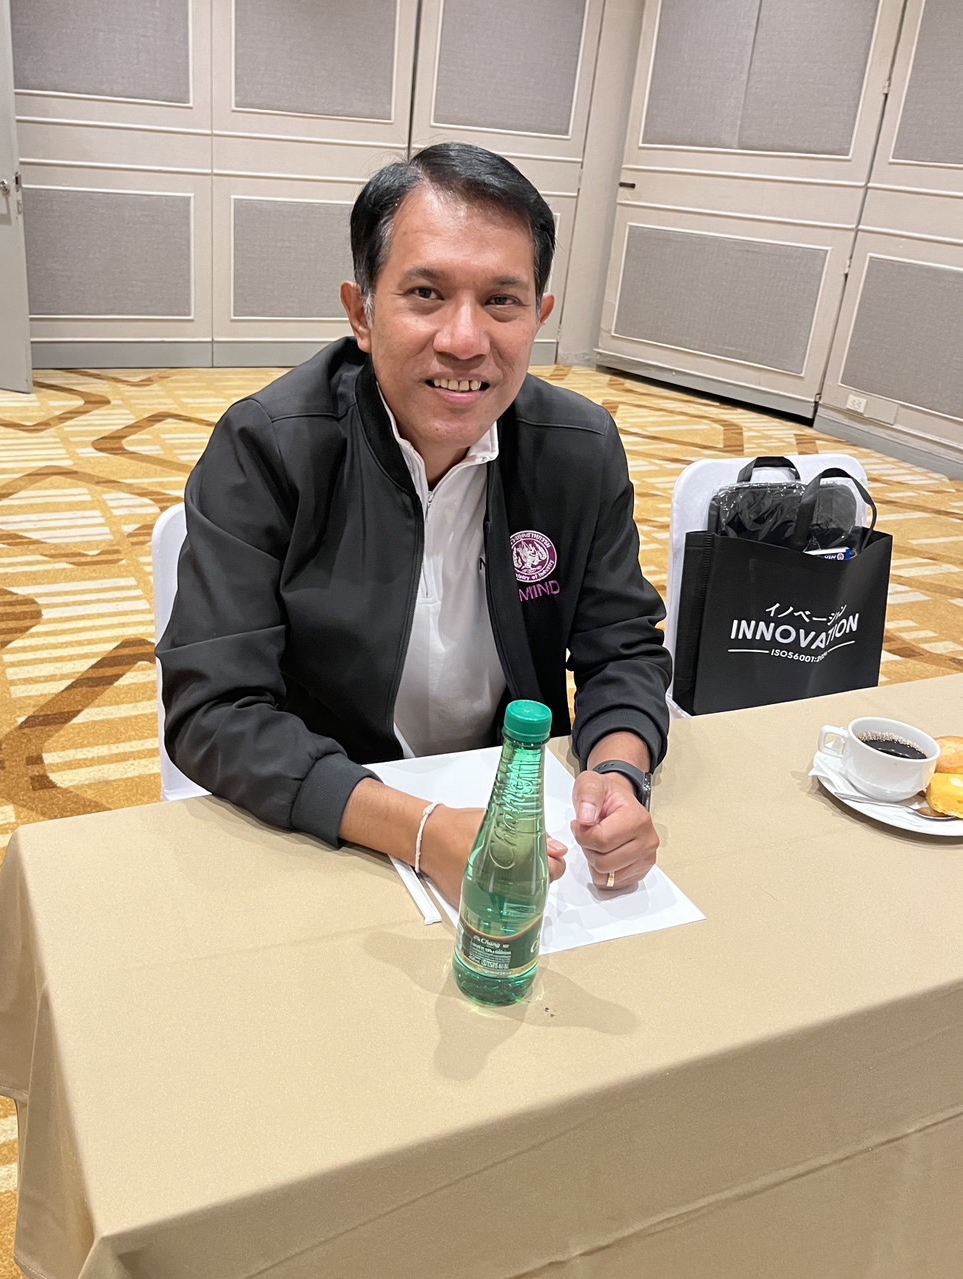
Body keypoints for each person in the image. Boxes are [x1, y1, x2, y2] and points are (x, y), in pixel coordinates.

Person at [158, 143, 671, 910]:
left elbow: (623, 648)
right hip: (331, 812)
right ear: (362, 312)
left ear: (539, 317)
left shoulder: (579, 449)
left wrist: (617, 773)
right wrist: (421, 831)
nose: (465, 339)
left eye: (502, 301)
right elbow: (214, 710)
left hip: (514, 812)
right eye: (426, 293)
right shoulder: (269, 447)